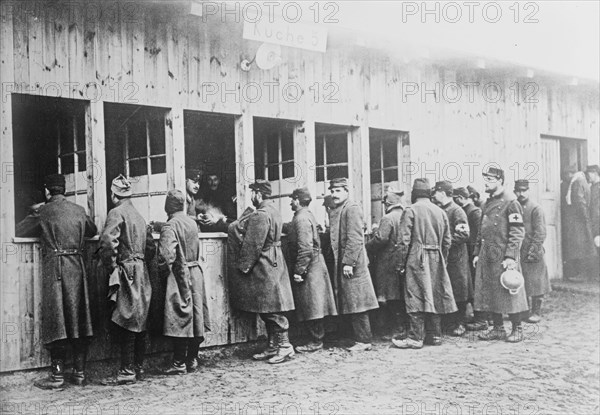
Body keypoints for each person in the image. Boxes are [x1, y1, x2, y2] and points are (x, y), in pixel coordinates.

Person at [16, 174, 97, 389]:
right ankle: (80, 373)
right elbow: (93, 230)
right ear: (64, 189)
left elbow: (18, 231)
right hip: (78, 269)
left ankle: (57, 376)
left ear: (47, 191)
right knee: (80, 319)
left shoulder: (42, 212)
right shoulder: (79, 210)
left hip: (56, 272)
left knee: (57, 321)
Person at [227, 179, 295, 364]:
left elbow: (253, 244)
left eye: (252, 193)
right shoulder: (274, 211)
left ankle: (285, 346)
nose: (251, 197)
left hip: (265, 264)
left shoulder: (260, 215)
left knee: (272, 309)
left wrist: (244, 266)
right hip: (275, 260)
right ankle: (273, 346)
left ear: (258, 194)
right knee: (268, 307)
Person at [99, 175, 155, 384]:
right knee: (138, 318)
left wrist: (112, 266)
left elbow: (107, 242)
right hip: (142, 271)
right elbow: (150, 248)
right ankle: (138, 367)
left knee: (126, 319)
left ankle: (126, 370)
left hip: (126, 271)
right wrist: (139, 262)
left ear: (113, 195)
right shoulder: (139, 216)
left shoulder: (116, 212)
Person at [392, 178, 456, 349]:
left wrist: (400, 264)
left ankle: (415, 337)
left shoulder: (410, 210)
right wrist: (442, 259)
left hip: (416, 256)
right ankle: (435, 335)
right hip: (436, 256)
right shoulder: (440, 211)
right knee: (434, 294)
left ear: (414, 193)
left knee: (415, 295)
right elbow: (447, 241)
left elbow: (403, 241)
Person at [158, 189, 211, 374]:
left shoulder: (170, 226)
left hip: (180, 273)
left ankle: (178, 362)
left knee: (179, 316)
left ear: (167, 207)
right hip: (195, 271)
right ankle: (192, 359)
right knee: (196, 315)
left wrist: (163, 273)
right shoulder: (191, 222)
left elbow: (166, 256)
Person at [473, 166, 528, 343]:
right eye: (485, 180)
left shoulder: (511, 202)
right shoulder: (487, 203)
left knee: (510, 290)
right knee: (490, 291)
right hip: (488, 254)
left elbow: (517, 231)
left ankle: (517, 328)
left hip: (504, 255)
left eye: (490, 180)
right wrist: (476, 253)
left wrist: (511, 256)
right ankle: (497, 328)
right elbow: (481, 230)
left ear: (500, 181)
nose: (486, 183)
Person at [327, 178, 379, 352]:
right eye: (332, 191)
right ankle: (355, 337)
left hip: (353, 263)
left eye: (338, 191)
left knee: (358, 301)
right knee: (350, 300)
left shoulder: (352, 209)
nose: (334, 194)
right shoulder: (339, 209)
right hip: (345, 261)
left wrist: (349, 263)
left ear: (347, 191)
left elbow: (356, 238)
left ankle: (364, 340)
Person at [283, 187, 337, 352]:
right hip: (314, 265)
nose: (291, 202)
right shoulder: (305, 216)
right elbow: (292, 228)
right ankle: (316, 339)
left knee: (313, 305)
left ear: (298, 200)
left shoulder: (301, 219)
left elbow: (305, 248)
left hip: (310, 267)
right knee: (314, 304)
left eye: (292, 199)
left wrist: (299, 271)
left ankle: (316, 341)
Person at [365, 188, 408, 339]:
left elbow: (381, 239)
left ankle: (396, 329)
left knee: (388, 296)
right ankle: (401, 327)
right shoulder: (405, 215)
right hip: (402, 260)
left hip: (387, 262)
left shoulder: (388, 218)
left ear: (387, 204)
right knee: (398, 295)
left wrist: (367, 245)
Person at [433, 181, 472, 337]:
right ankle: (449, 322)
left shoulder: (457, 211)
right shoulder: (440, 210)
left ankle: (460, 323)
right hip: (446, 258)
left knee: (459, 290)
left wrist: (446, 243)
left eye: (436, 192)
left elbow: (464, 234)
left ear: (443, 193)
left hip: (457, 258)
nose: (434, 195)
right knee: (447, 290)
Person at [513, 180, 551, 323]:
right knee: (522, 281)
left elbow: (540, 232)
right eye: (518, 191)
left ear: (528, 190)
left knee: (536, 282)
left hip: (533, 249)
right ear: (514, 191)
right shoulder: (513, 206)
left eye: (524, 190)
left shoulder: (535, 208)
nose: (521, 193)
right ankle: (524, 310)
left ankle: (536, 312)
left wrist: (533, 251)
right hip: (519, 250)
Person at [453, 187, 487, 331]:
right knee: (470, 286)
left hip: (473, 254)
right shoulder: (468, 210)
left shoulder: (474, 212)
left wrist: (475, 253)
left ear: (460, 198)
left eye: (456, 198)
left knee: (476, 286)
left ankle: (482, 319)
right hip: (467, 254)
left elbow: (479, 233)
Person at [562, 166, 595, 281]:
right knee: (583, 247)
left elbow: (579, 202)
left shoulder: (576, 182)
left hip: (578, 221)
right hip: (582, 220)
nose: (566, 178)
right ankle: (584, 274)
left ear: (570, 174)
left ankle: (582, 274)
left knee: (579, 247)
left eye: (566, 175)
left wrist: (585, 218)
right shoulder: (582, 181)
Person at [585, 165, 600, 278]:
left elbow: (596, 208)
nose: (588, 176)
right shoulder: (593, 187)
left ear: (595, 173)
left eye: (589, 173)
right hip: (594, 221)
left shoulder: (598, 187)